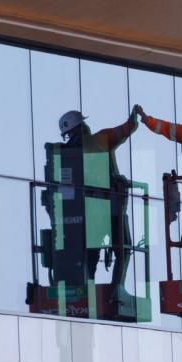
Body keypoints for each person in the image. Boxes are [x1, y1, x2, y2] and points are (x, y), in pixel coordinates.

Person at [58, 108, 138, 286]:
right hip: (111, 206)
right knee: (122, 248)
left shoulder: (65, 154)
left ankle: (90, 285)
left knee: (93, 251)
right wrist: (133, 120)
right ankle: (115, 288)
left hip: (93, 211)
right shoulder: (100, 140)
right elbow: (126, 129)